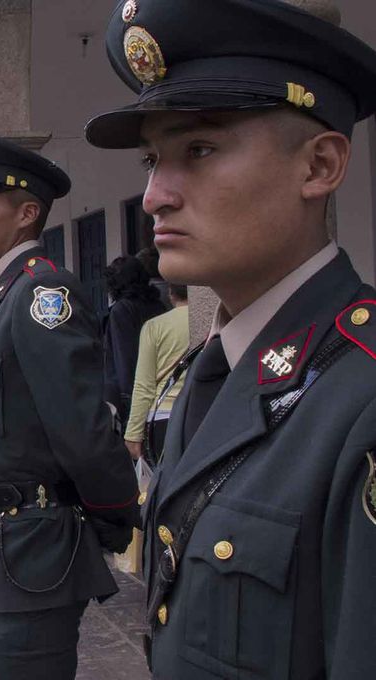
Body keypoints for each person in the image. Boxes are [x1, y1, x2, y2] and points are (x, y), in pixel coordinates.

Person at [84, 0, 376, 676]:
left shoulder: (359, 398)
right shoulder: (208, 371)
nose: (156, 194)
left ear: (320, 166)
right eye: (153, 159)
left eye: (201, 149)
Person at [0, 127, 140, 678]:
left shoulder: (43, 296)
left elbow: (82, 430)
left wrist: (113, 518)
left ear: (27, 213)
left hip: (28, 554)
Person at [124, 285, 189, 464]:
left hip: (163, 416)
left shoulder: (155, 327)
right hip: (201, 412)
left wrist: (133, 434)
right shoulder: (211, 319)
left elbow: (144, 385)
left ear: (170, 293)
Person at [102, 255, 168, 426]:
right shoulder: (158, 305)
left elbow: (125, 358)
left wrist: (128, 405)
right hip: (159, 388)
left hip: (133, 396)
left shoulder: (121, 310)